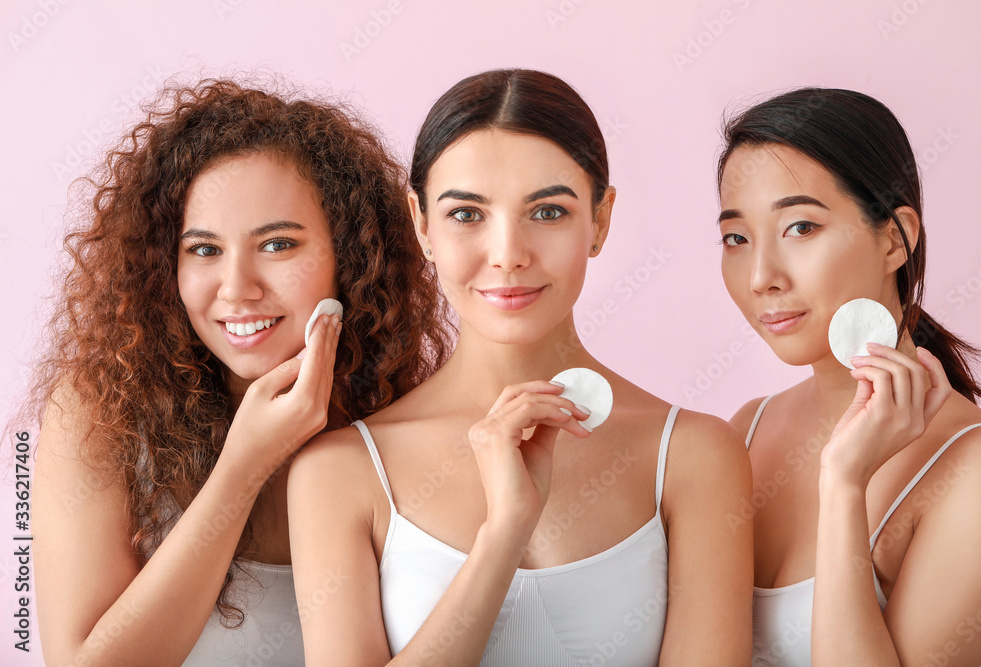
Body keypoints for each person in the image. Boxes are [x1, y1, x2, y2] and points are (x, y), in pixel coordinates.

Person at [289, 68, 753, 665]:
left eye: (548, 212)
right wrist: (504, 530)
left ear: (600, 221)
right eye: (466, 214)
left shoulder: (694, 455)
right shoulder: (339, 472)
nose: (508, 254)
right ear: (422, 223)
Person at [26, 77, 450, 665]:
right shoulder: (101, 413)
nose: (236, 288)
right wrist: (244, 466)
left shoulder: (406, 421)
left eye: (277, 245)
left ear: (351, 256)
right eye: (204, 250)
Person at [716, 87, 981, 666]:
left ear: (895, 238)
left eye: (800, 227)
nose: (761, 276)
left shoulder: (980, 472)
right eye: (736, 238)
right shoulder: (748, 429)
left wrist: (844, 485)